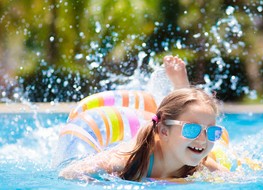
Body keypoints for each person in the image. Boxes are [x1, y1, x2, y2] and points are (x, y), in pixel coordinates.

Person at [59, 56, 229, 182]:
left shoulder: (200, 162)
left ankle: (181, 88)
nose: (202, 139)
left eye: (212, 132)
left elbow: (232, 180)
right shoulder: (129, 160)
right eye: (192, 129)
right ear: (163, 131)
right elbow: (69, 173)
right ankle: (180, 89)